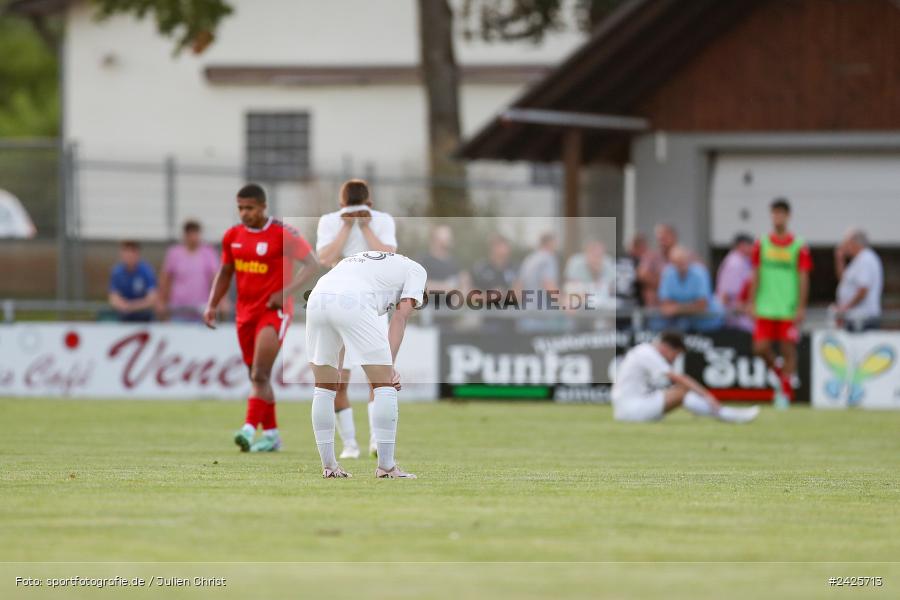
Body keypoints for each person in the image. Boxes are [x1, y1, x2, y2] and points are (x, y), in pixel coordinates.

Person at [204, 184, 319, 453]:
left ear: (263, 207)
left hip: (273, 311)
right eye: (240, 208)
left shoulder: (282, 233)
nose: (244, 213)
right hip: (245, 314)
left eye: (250, 208)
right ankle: (271, 434)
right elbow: (225, 272)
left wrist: (285, 292)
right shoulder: (232, 236)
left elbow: (312, 264)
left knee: (259, 373)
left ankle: (247, 428)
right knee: (258, 377)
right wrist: (211, 304)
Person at [305, 250, 427, 479]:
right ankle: (387, 468)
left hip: (318, 295)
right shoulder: (417, 270)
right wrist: (388, 368)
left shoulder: (370, 261)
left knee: (324, 386)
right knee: (383, 385)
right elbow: (400, 318)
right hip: (354, 298)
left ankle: (329, 466)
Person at [315, 179, 398, 460]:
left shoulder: (382, 220)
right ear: (341, 207)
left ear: (370, 206)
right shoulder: (329, 221)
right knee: (338, 378)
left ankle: (377, 439)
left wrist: (365, 226)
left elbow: (389, 255)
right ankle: (350, 444)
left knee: (378, 377)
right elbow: (324, 257)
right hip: (339, 302)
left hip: (372, 304)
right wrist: (346, 226)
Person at [611, 330, 759, 423]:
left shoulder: (643, 350)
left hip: (628, 407)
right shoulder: (648, 352)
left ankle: (724, 413)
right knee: (682, 392)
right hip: (630, 409)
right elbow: (680, 378)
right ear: (666, 347)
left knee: (680, 392)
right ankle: (725, 414)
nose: (674, 360)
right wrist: (708, 396)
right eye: (675, 355)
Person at [748, 198, 812, 403]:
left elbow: (803, 277)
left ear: (788, 216)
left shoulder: (798, 245)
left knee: (787, 350)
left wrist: (801, 306)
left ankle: (784, 393)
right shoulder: (762, 243)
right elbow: (755, 273)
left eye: (781, 213)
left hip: (787, 307)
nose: (777, 217)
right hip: (765, 306)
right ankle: (779, 372)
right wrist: (751, 301)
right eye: (774, 213)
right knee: (760, 348)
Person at [158, 220, 220, 322]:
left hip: (201, 310)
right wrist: (162, 301)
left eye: (196, 233)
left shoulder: (208, 253)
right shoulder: (174, 253)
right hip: (178, 310)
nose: (193, 237)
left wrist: (220, 301)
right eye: (190, 234)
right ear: (185, 235)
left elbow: (215, 279)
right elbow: (166, 279)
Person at [655, 246, 724, 332]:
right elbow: (665, 303)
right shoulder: (668, 273)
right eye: (677, 262)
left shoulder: (700, 273)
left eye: (683, 261)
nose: (680, 265)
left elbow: (702, 304)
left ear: (688, 260)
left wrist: (677, 308)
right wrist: (690, 305)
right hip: (683, 324)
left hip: (708, 324)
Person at [833, 228, 883, 331]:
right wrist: (839, 259)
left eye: (847, 242)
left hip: (863, 319)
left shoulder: (866, 259)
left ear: (855, 243)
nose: (844, 246)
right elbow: (843, 281)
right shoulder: (857, 260)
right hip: (855, 318)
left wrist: (845, 308)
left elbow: (863, 290)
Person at [518, 232, 561, 331]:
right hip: (542, 317)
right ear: (550, 243)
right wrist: (564, 304)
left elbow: (520, 285)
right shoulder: (548, 258)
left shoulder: (529, 259)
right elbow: (548, 284)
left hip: (526, 314)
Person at [108, 240, 158, 322]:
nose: (129, 255)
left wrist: (132, 306)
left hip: (145, 317)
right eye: (126, 252)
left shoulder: (146, 271)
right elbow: (113, 297)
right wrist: (123, 305)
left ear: (138, 254)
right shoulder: (117, 271)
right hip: (124, 317)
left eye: (132, 252)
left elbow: (152, 298)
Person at [715, 233, 755, 332]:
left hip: (738, 311)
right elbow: (727, 295)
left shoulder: (743, 260)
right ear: (741, 245)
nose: (753, 248)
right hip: (734, 316)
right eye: (750, 245)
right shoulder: (735, 262)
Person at [637, 223, 679, 306]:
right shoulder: (651, 256)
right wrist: (668, 285)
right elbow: (642, 275)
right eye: (660, 239)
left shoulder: (685, 256)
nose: (662, 242)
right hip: (656, 307)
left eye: (665, 238)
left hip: (679, 306)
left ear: (674, 237)